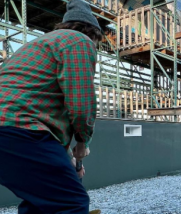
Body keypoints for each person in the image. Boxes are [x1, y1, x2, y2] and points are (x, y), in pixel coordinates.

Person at [0, 0, 102, 213]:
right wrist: (83, 142)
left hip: (12, 132)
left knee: (40, 202)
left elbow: (45, 116)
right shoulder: (79, 41)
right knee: (70, 203)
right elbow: (81, 103)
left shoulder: (37, 45)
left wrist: (68, 161)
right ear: (91, 32)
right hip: (18, 128)